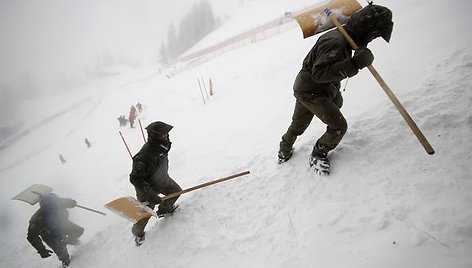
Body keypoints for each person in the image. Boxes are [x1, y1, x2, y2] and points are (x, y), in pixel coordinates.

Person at [278, 4, 394, 175]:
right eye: (374, 35)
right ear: (367, 30)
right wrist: (354, 64)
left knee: (299, 123)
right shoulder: (336, 42)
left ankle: (284, 149)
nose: (372, 39)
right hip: (312, 90)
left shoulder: (346, 36)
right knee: (338, 126)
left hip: (312, 87)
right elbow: (320, 74)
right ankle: (318, 154)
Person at [129, 121, 182, 246]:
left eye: (167, 134)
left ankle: (164, 210)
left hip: (162, 179)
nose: (166, 136)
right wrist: (150, 195)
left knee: (175, 192)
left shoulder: (163, 145)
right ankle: (138, 233)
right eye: (163, 135)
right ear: (155, 136)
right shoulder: (143, 156)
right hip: (146, 188)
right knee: (145, 213)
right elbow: (135, 179)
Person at [27, 193, 84, 268]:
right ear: (45, 207)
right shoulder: (37, 219)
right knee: (63, 253)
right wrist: (42, 250)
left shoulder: (58, 203)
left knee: (78, 231)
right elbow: (32, 236)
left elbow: (70, 203)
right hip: (50, 236)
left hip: (63, 225)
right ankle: (66, 262)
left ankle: (68, 240)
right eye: (53, 207)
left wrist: (72, 202)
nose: (57, 207)